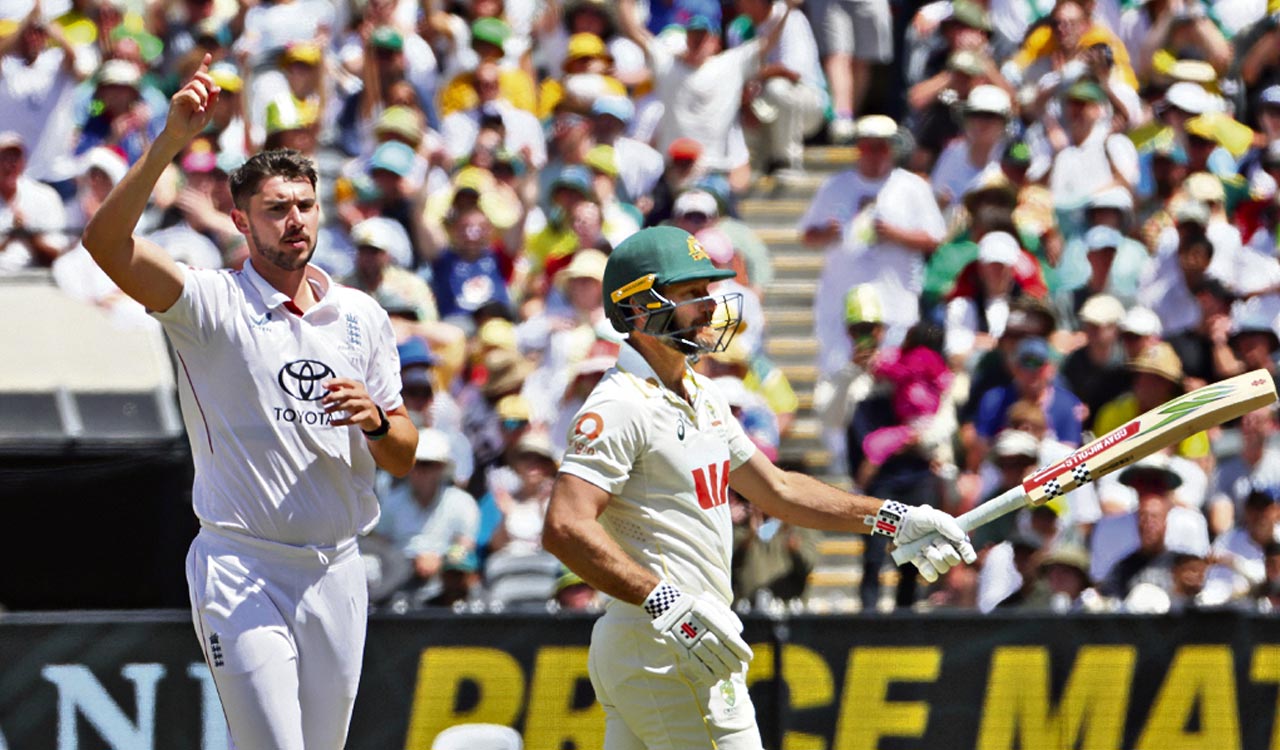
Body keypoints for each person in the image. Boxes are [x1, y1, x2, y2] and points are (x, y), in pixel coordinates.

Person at [80, 58, 418, 750]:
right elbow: (104, 244)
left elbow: (405, 454)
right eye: (276, 209)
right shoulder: (210, 303)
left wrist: (379, 421)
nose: (295, 221)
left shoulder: (360, 315)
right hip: (243, 565)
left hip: (338, 566)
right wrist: (170, 142)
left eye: (305, 205)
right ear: (240, 219)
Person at [542, 226, 975, 749]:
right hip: (668, 644)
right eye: (688, 295)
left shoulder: (700, 392)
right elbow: (565, 526)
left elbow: (778, 490)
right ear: (636, 309)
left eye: (707, 292)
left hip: (663, 642)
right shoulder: (621, 405)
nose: (708, 307)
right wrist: (666, 604)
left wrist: (893, 516)